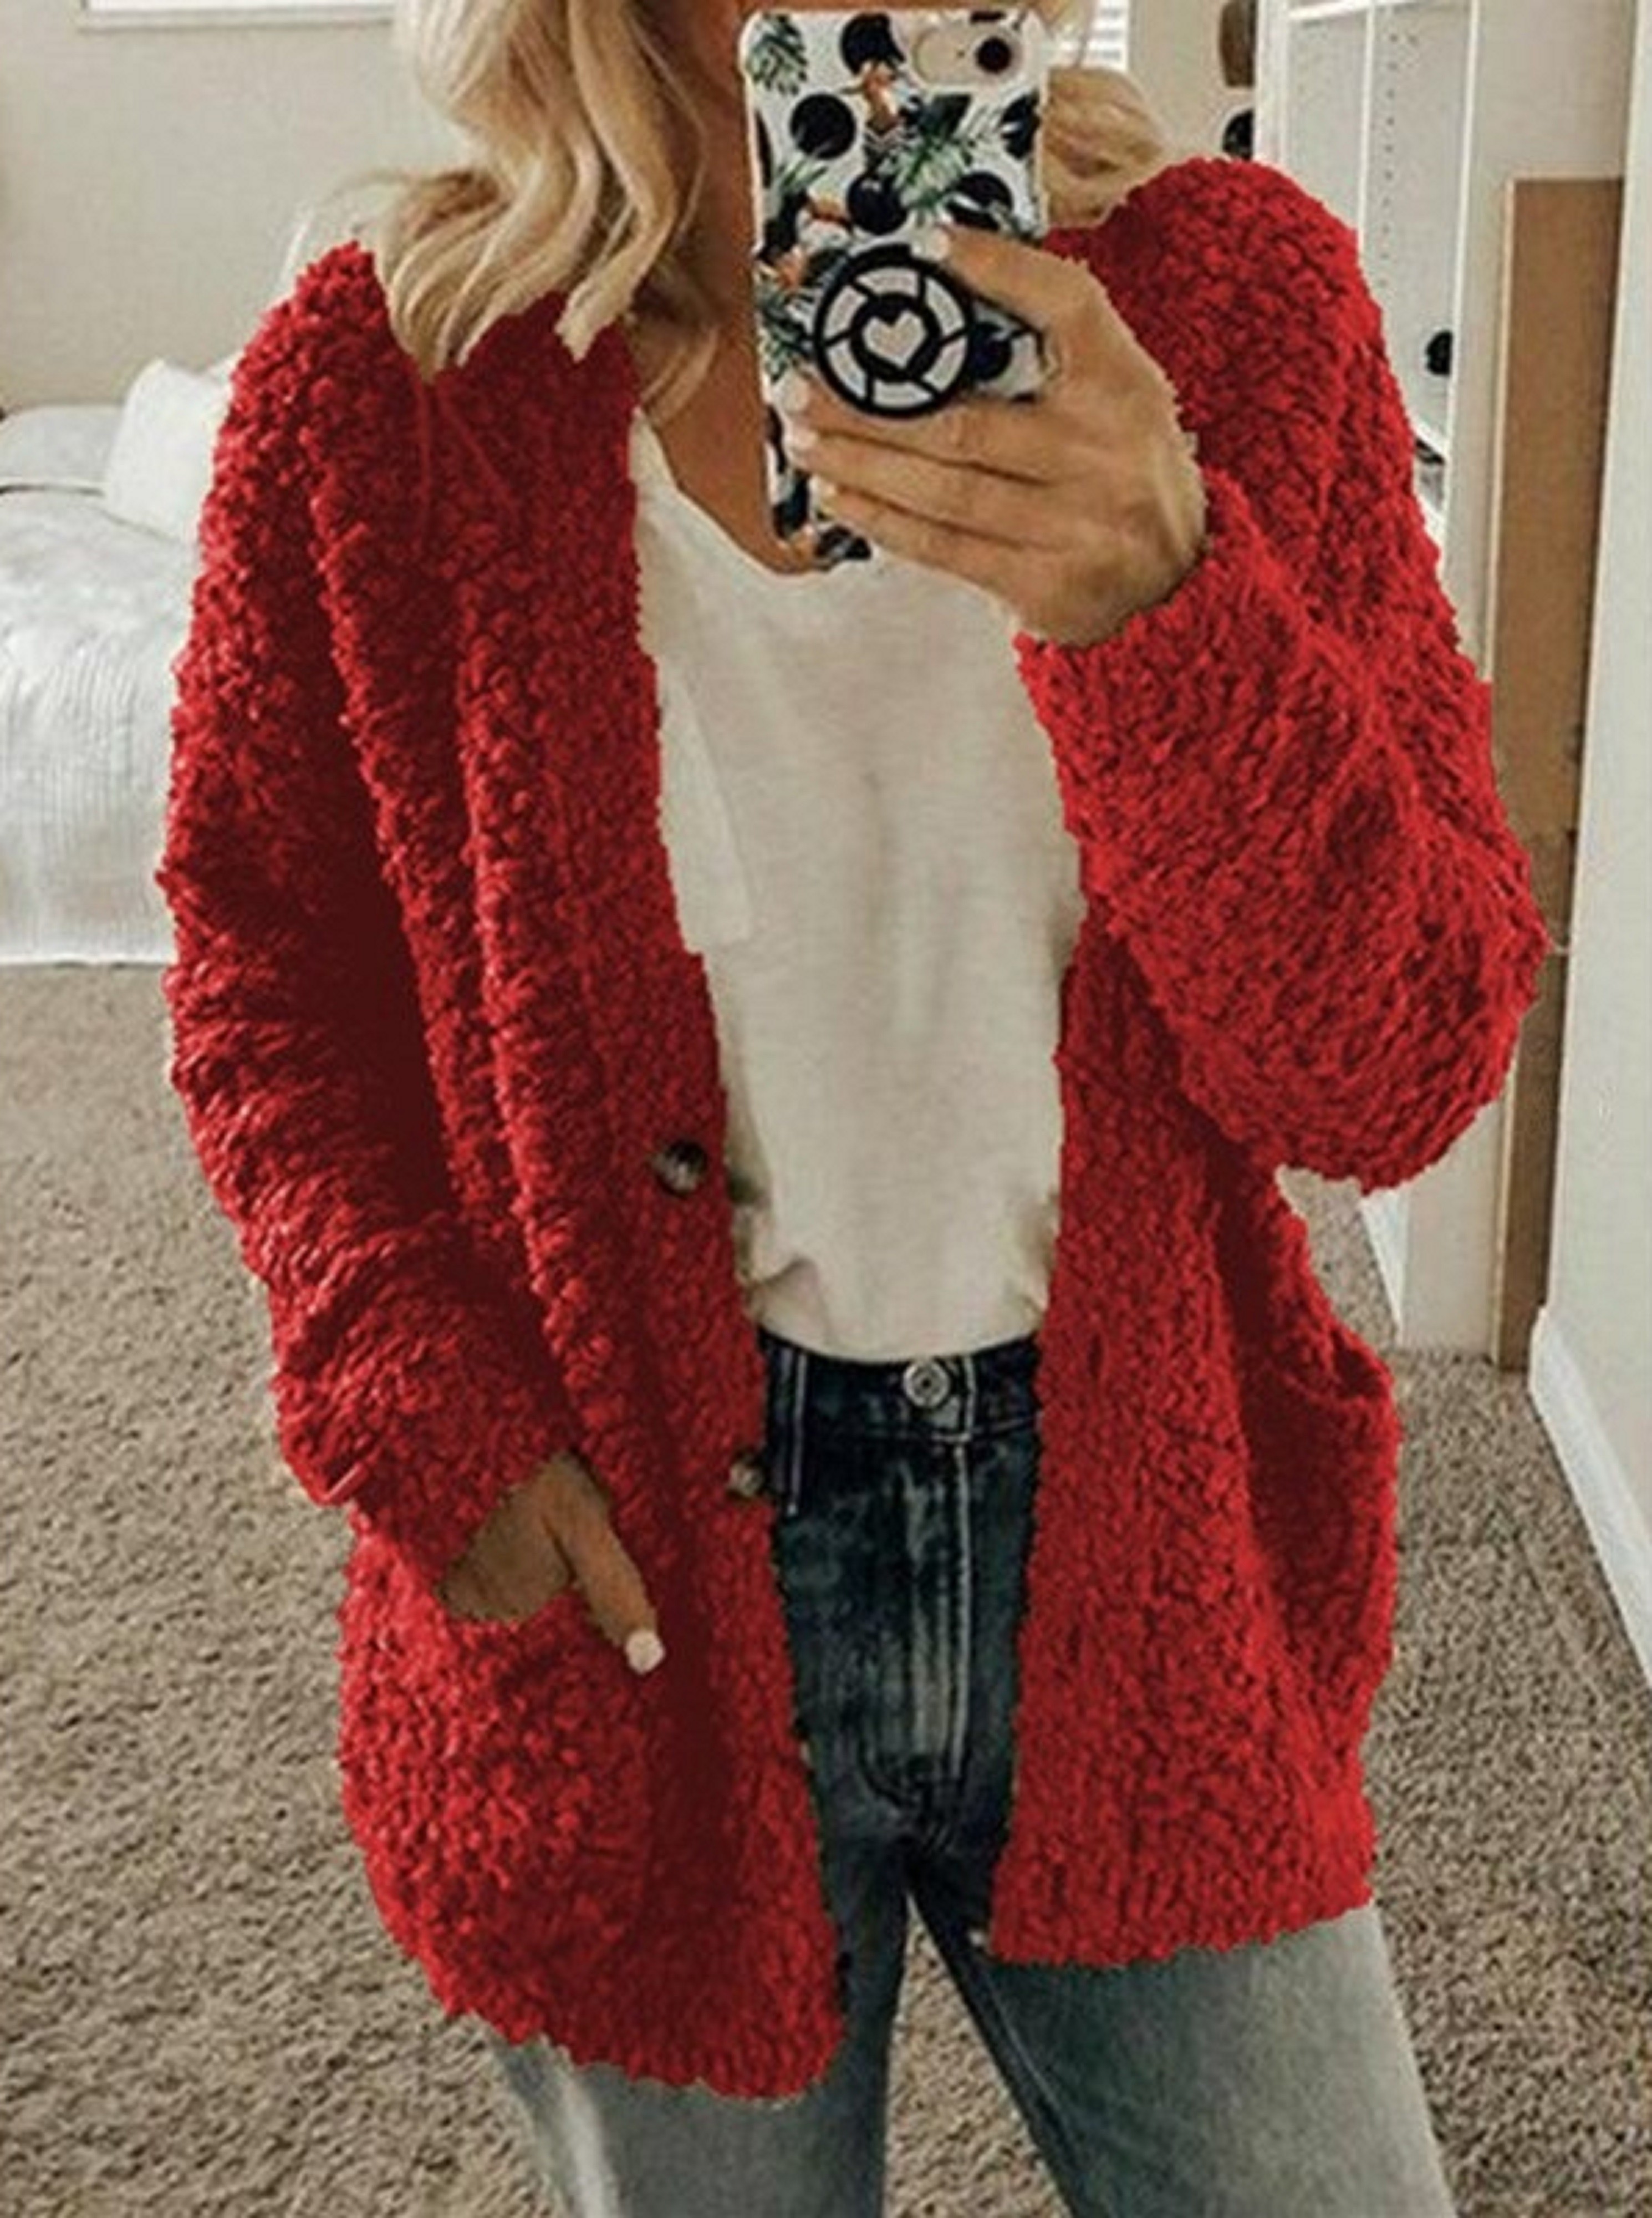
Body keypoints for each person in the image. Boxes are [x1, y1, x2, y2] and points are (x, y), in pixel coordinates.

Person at [155, 0, 1552, 2210]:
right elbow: (263, 983)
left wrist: (1162, 594)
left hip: (1145, 1551)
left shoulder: (1231, 310)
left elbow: (1398, 1064)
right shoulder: (387, 384)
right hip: (632, 1588)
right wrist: (422, 1411)